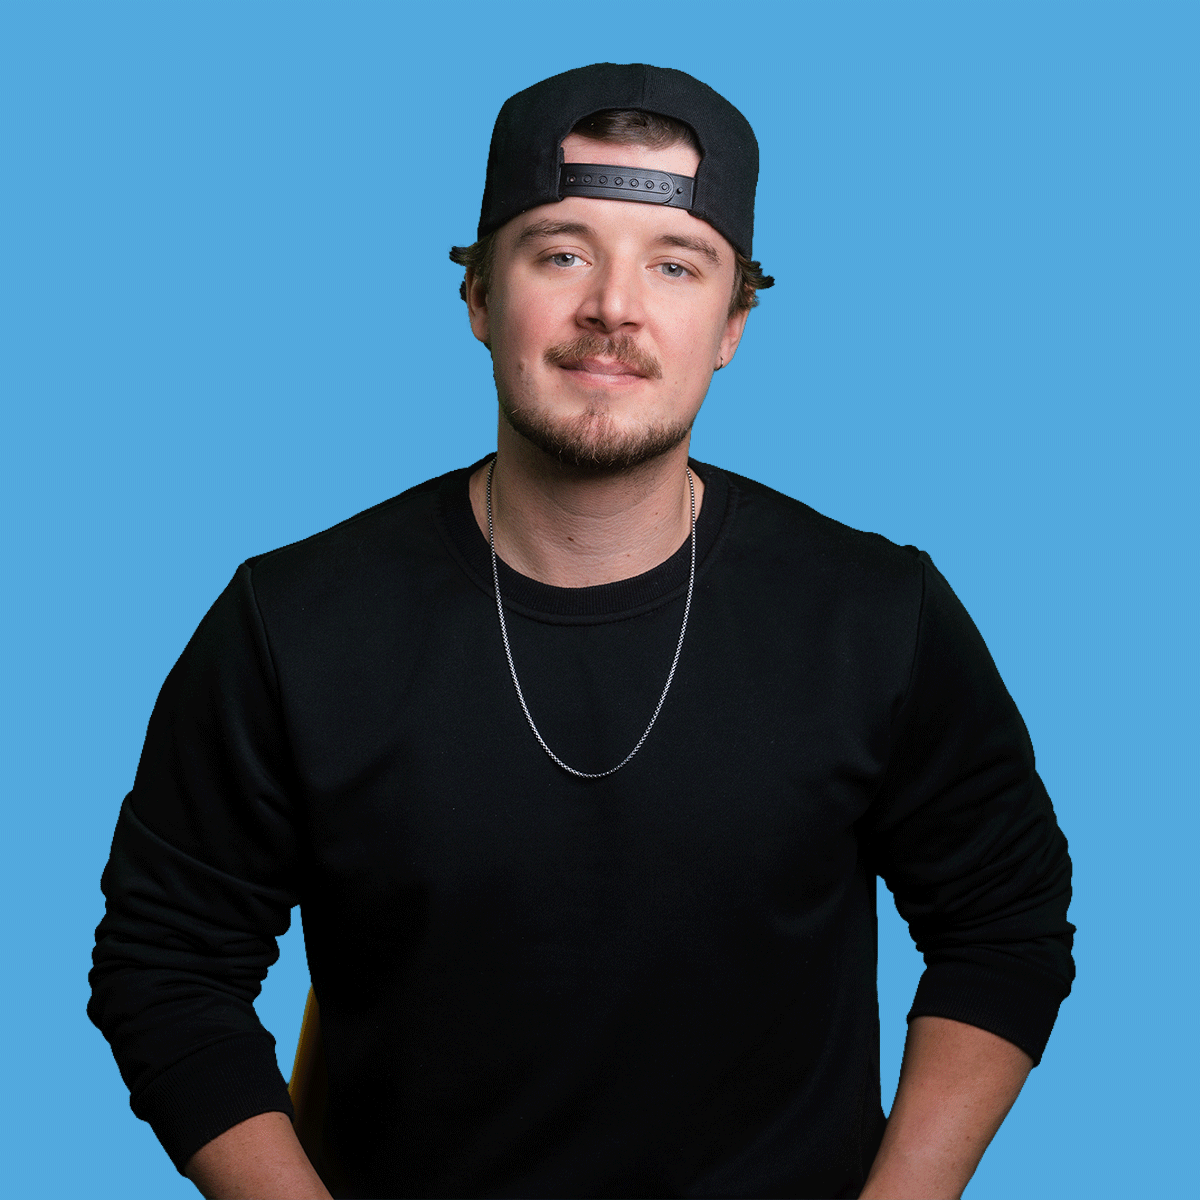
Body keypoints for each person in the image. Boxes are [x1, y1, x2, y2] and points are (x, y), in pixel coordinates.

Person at [88, 62, 1074, 1200]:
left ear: (732, 325)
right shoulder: (290, 623)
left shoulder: (878, 614)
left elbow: (1005, 926)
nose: (613, 306)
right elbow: (167, 969)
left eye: (675, 264)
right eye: (561, 253)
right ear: (477, 297)